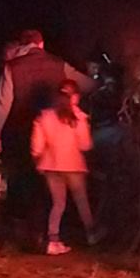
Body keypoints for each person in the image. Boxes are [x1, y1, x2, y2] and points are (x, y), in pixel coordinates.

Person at [0, 30, 90, 234]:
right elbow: (87, 84)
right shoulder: (58, 64)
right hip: (53, 134)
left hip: (20, 131)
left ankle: (22, 230)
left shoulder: (11, 67)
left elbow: (3, 105)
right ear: (41, 44)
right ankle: (47, 231)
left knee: (22, 180)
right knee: (48, 191)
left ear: (22, 45)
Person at [31, 80, 95, 255]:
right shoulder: (78, 117)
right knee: (81, 201)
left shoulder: (44, 116)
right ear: (75, 97)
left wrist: (38, 159)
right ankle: (91, 234)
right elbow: (85, 145)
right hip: (73, 165)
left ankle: (53, 238)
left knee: (57, 203)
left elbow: (37, 146)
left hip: (51, 165)